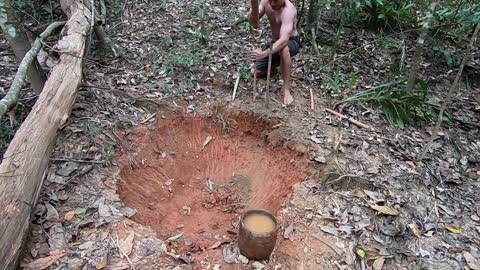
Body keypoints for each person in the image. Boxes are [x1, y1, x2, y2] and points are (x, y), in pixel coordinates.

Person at [249, 0, 300, 106]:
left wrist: (264, 53)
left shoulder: (288, 10)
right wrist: (254, 5)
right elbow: (254, 22)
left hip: (291, 42)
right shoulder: (266, 2)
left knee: (283, 49)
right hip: (275, 43)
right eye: (270, 0)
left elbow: (284, 40)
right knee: (254, 71)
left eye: (275, 1)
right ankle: (273, 66)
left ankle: (286, 89)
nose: (272, 4)